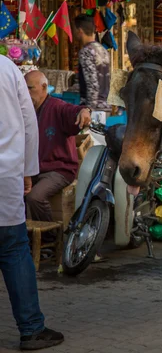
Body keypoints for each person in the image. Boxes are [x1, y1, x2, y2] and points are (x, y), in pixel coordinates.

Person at [0, 55, 64, 350]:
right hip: (6, 176)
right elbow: (29, 124)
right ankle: (31, 329)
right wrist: (28, 172)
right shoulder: (8, 69)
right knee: (13, 249)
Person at [24, 71, 91, 223]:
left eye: (30, 88)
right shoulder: (27, 112)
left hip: (58, 170)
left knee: (35, 197)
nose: (26, 93)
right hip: (33, 170)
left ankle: (49, 239)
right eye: (24, 89)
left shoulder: (57, 107)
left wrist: (84, 111)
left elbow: (75, 111)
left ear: (44, 87)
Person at [73, 14, 111, 110]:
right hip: (105, 105)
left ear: (80, 31)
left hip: (94, 109)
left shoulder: (86, 52)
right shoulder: (103, 50)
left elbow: (92, 84)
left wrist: (89, 110)